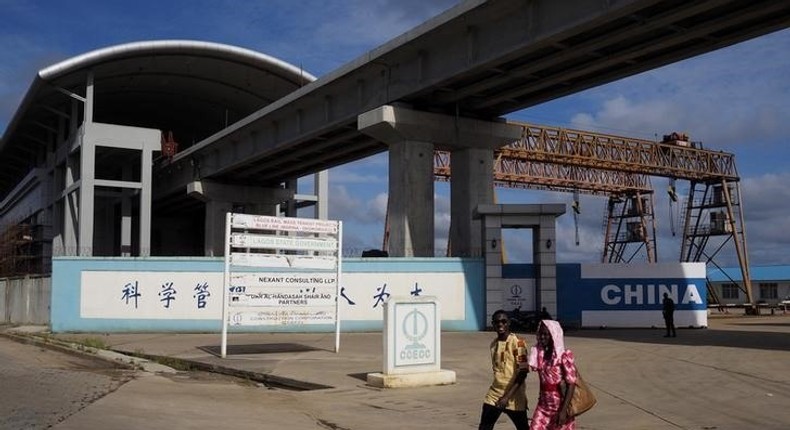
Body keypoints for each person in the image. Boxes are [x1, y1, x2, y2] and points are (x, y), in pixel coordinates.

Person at [478, 310, 530, 430]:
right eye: (497, 322)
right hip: (495, 394)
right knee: (485, 426)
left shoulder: (518, 343)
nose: (500, 324)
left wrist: (507, 397)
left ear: (509, 323)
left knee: (522, 427)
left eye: (503, 321)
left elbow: (523, 372)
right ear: (493, 324)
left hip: (515, 395)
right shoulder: (493, 345)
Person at [529, 320, 577, 430]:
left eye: (546, 334)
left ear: (553, 335)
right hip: (543, 406)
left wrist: (564, 411)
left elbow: (571, 384)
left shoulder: (563, 356)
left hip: (560, 407)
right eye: (540, 334)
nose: (542, 337)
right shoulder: (539, 354)